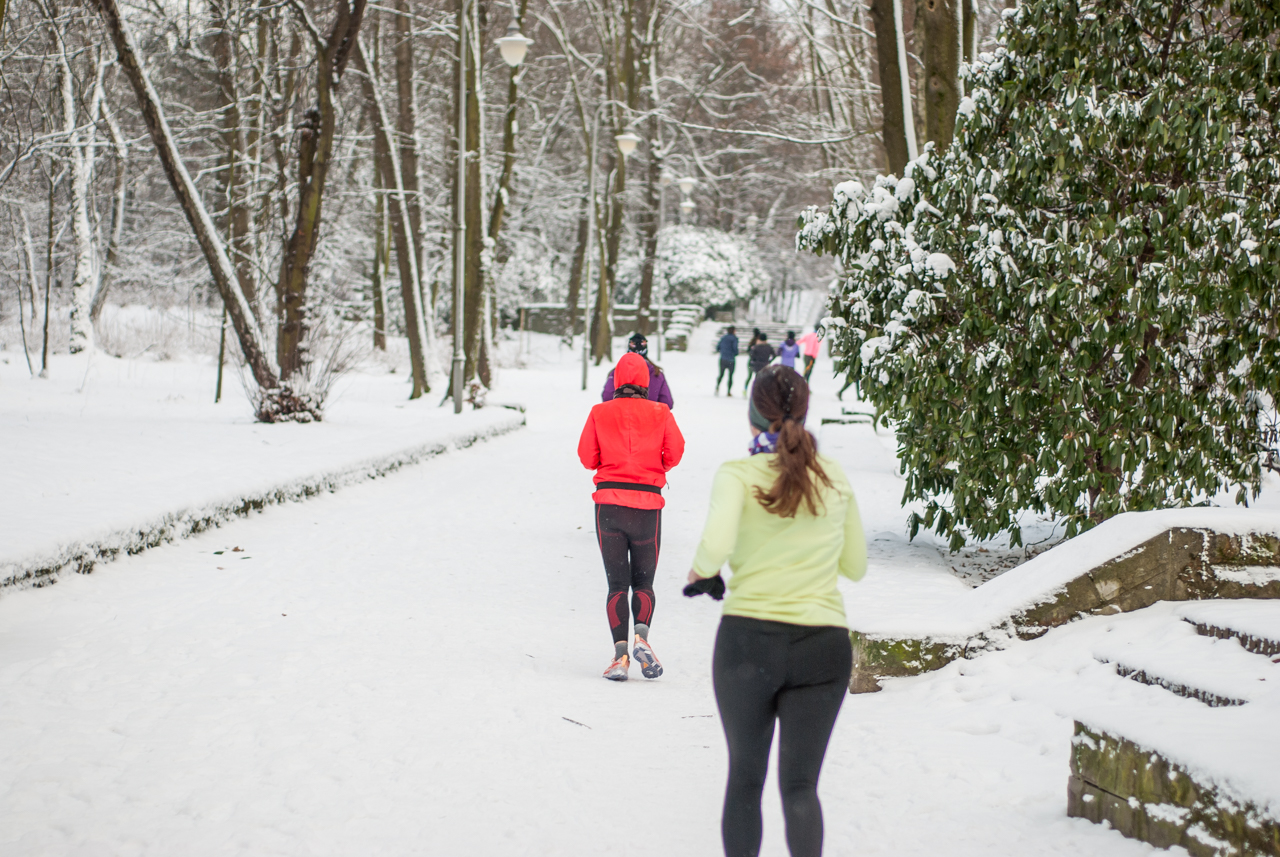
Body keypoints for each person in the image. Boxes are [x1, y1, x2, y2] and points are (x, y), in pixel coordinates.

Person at [686, 365, 866, 857]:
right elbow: (855, 565)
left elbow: (714, 548)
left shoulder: (738, 475)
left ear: (752, 417)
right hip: (824, 646)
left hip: (749, 643)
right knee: (801, 786)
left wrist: (700, 573)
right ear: (805, 413)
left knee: (745, 777)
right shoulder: (833, 477)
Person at [579, 352, 685, 681]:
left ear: (616, 381)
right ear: (645, 381)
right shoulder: (661, 412)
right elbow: (676, 452)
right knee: (643, 583)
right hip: (648, 508)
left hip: (608, 505)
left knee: (616, 585)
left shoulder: (599, 412)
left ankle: (620, 655)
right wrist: (653, 469)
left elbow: (586, 457)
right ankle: (643, 638)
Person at [602, 333, 674, 409]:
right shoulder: (657, 373)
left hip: (621, 418)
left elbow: (607, 398)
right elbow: (667, 403)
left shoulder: (616, 372)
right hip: (649, 418)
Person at [716, 325, 739, 396]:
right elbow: (735, 348)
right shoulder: (734, 339)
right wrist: (735, 353)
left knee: (721, 374)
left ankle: (717, 386)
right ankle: (728, 391)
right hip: (731, 359)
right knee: (730, 376)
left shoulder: (723, 338)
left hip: (723, 358)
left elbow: (718, 347)